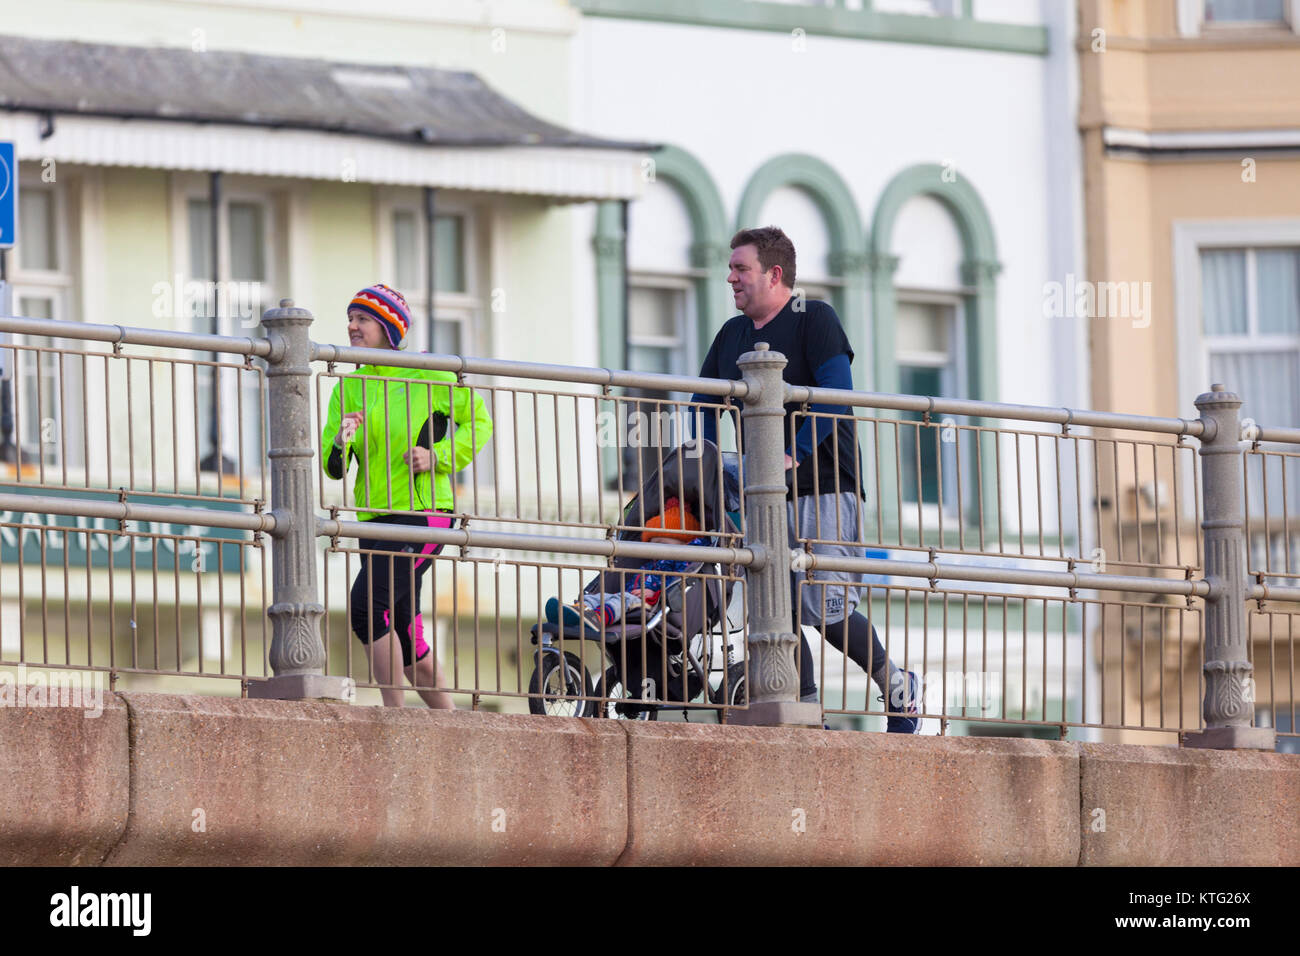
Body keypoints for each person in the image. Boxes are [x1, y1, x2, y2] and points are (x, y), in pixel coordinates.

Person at [689, 227, 920, 733]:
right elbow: (700, 403)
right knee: (780, 612)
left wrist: (791, 454)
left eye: (740, 268)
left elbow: (837, 394)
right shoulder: (732, 335)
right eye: (730, 268)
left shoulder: (815, 318)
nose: (730, 277)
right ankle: (810, 715)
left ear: (774, 275)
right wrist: (707, 464)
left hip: (825, 484)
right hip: (761, 496)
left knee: (827, 609)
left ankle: (897, 684)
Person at [321, 283, 493, 708]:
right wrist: (343, 441)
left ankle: (393, 718)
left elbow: (480, 423)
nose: (352, 326)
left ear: (388, 327)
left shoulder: (428, 372)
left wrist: (437, 456)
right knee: (402, 626)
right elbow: (332, 464)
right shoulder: (349, 387)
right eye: (351, 318)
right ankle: (452, 727)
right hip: (375, 518)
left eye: (362, 319)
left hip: (425, 514)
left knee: (366, 608)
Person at [549, 497, 708, 630]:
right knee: (600, 597)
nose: (657, 550)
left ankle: (597, 618)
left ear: (684, 545)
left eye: (663, 543)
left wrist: (655, 595)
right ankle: (578, 612)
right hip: (630, 598)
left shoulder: (679, 562)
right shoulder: (648, 565)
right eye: (653, 544)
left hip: (653, 604)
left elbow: (678, 584)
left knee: (621, 600)